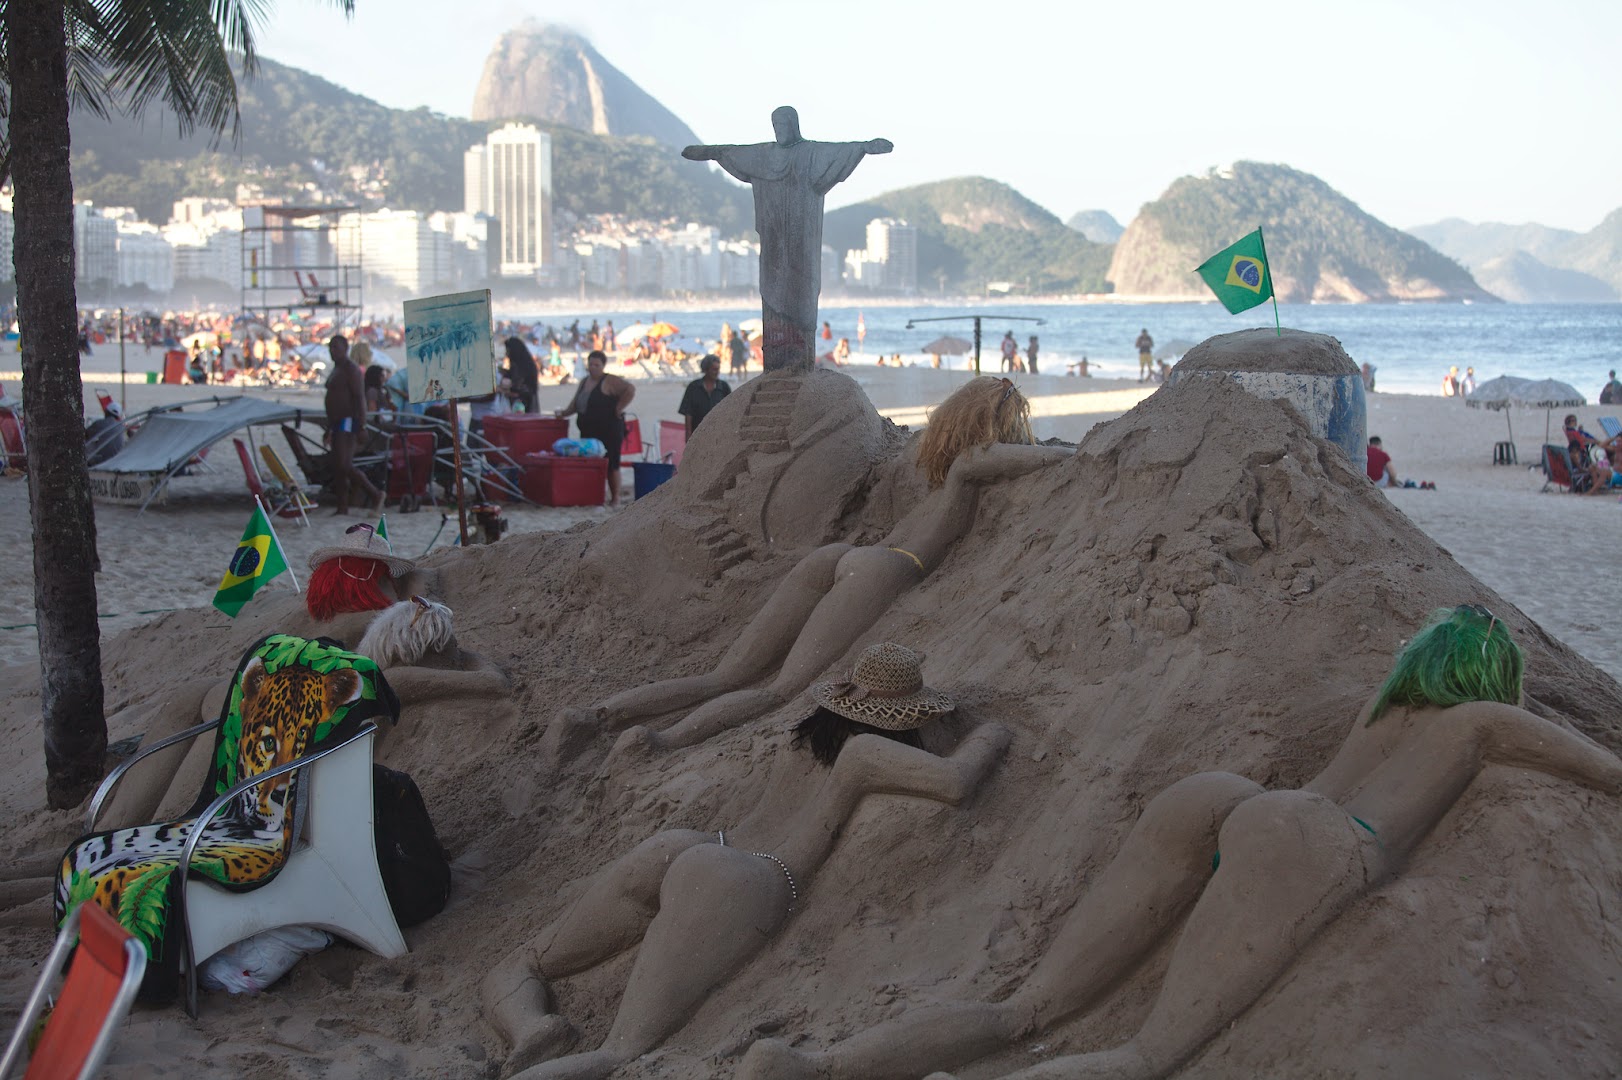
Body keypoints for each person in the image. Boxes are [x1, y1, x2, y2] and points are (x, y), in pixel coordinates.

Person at [741, 605, 1622, 1080]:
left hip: (1232, 801)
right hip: (1317, 838)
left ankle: (818, 1067)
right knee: (1144, 1057)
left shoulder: (1384, 705)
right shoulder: (1482, 720)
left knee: (1029, 1008)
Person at [483, 644, 1009, 1080]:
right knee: (618, 1052)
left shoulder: (806, 734)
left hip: (696, 842)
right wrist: (990, 733)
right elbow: (956, 782)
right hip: (749, 876)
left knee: (525, 961)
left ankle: (529, 1029)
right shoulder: (866, 754)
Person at [588, 377, 1073, 756]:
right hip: (888, 567)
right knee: (779, 690)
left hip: (837, 558)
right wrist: (1070, 450)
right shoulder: (967, 470)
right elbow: (996, 458)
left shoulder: (931, 463)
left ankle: (601, 715)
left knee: (728, 675)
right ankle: (664, 742)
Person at [683, 108, 891, 370]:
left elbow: (838, 151)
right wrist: (710, 152)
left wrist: (864, 147)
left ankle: (799, 360)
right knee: (772, 287)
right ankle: (777, 360)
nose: (779, 129)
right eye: (775, 124)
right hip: (773, 236)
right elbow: (733, 151)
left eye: (783, 123)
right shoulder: (765, 155)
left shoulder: (809, 153)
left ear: (794, 124)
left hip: (802, 237)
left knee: (801, 287)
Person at [556, 350, 635, 508]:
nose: (593, 368)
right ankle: (595, 496)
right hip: (589, 430)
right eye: (591, 364)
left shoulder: (610, 380)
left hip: (609, 429)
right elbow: (575, 403)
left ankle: (616, 498)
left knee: (612, 464)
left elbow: (630, 390)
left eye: (597, 365)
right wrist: (563, 413)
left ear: (603, 366)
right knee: (592, 464)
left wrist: (618, 409)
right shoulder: (584, 381)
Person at [323, 334, 383, 515]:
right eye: (330, 348)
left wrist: (362, 426)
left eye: (336, 348)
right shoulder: (336, 369)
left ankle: (375, 493)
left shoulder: (351, 370)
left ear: (345, 349)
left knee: (344, 464)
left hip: (348, 420)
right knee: (338, 466)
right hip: (336, 422)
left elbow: (360, 398)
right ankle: (342, 506)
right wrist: (328, 428)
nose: (332, 351)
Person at [679, 354, 731, 436]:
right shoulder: (693, 387)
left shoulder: (724, 387)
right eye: (714, 369)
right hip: (697, 434)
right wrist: (688, 434)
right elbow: (688, 413)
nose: (717, 372)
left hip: (719, 434)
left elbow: (730, 412)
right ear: (706, 370)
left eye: (718, 369)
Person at [504, 337, 539, 414]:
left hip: (521, 407)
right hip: (530, 405)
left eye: (508, 351)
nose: (506, 354)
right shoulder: (528, 364)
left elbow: (519, 390)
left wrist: (503, 392)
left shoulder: (518, 367)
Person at [84, 400, 125, 466]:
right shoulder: (121, 426)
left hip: (103, 461)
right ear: (118, 416)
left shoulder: (99, 423)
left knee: (88, 443)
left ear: (106, 411)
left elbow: (85, 435)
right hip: (118, 460)